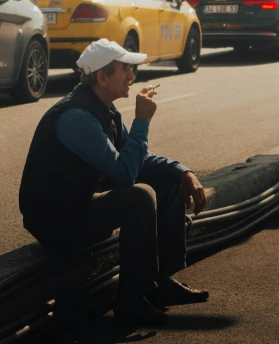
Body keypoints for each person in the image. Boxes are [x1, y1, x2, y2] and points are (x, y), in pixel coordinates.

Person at [19, 38, 208, 324]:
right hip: (56, 221)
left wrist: (182, 172)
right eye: (125, 70)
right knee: (140, 196)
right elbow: (124, 173)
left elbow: (138, 159)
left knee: (167, 181)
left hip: (78, 204)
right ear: (102, 77)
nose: (132, 76)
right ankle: (132, 300)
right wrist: (142, 120)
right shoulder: (76, 117)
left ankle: (160, 283)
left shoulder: (105, 110)